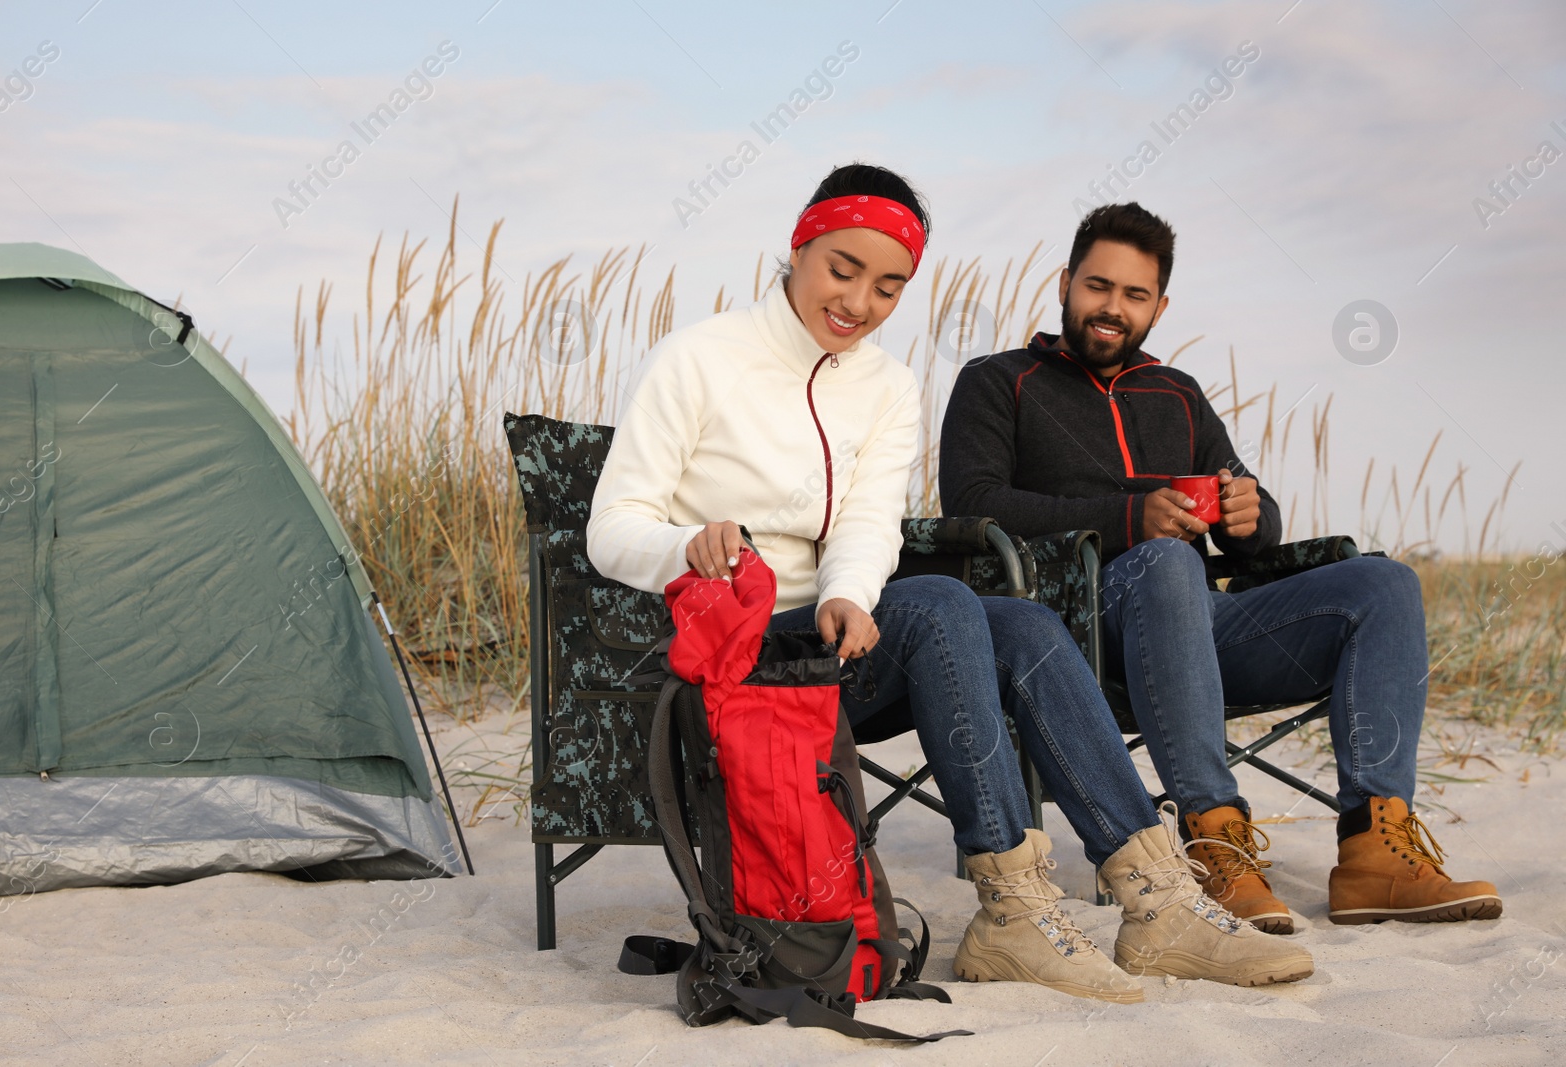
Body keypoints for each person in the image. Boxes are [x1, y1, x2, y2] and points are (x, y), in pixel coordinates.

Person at [588, 165, 1313, 1002]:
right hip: (738, 663)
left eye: (889, 285)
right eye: (842, 269)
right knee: (939, 603)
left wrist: (848, 595)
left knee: (1023, 625)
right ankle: (1010, 906)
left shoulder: (889, 387)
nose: (860, 302)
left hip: (832, 645)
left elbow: (867, 525)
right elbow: (611, 529)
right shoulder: (699, 358)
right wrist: (690, 544)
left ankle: (1157, 898)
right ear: (798, 248)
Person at [939, 201, 1501, 932]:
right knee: (1167, 559)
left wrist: (1249, 515)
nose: (1113, 308)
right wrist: (1130, 520)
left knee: (1385, 581)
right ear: (1065, 282)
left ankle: (1375, 850)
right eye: (1098, 286)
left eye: (1134, 295)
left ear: (1160, 306)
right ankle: (1214, 838)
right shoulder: (998, 381)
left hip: (1198, 638)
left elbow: (1253, 526)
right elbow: (972, 507)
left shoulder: (1177, 393)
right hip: (1073, 641)